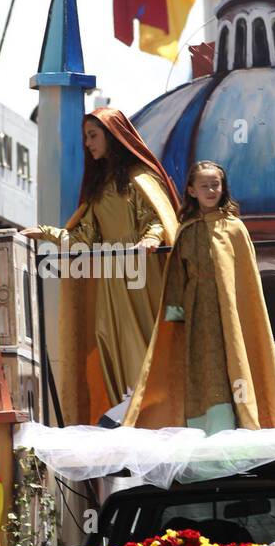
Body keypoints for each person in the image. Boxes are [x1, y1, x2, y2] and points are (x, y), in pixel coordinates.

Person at [23, 109, 180, 425]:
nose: (88, 143)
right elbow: (84, 240)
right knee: (108, 335)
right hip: (112, 277)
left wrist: (150, 240)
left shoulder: (141, 179)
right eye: (85, 137)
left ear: (112, 135)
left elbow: (155, 220)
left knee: (139, 334)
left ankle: (145, 401)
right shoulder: (100, 188)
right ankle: (128, 399)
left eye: (93, 135)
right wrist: (47, 233)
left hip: (141, 272)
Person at [125, 160, 275, 433]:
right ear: (192, 190)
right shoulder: (187, 230)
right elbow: (178, 274)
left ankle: (242, 421)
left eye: (215, 184)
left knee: (234, 363)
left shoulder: (234, 227)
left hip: (230, 313)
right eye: (204, 185)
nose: (211, 190)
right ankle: (207, 427)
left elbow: (244, 278)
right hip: (197, 315)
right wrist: (177, 310)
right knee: (204, 370)